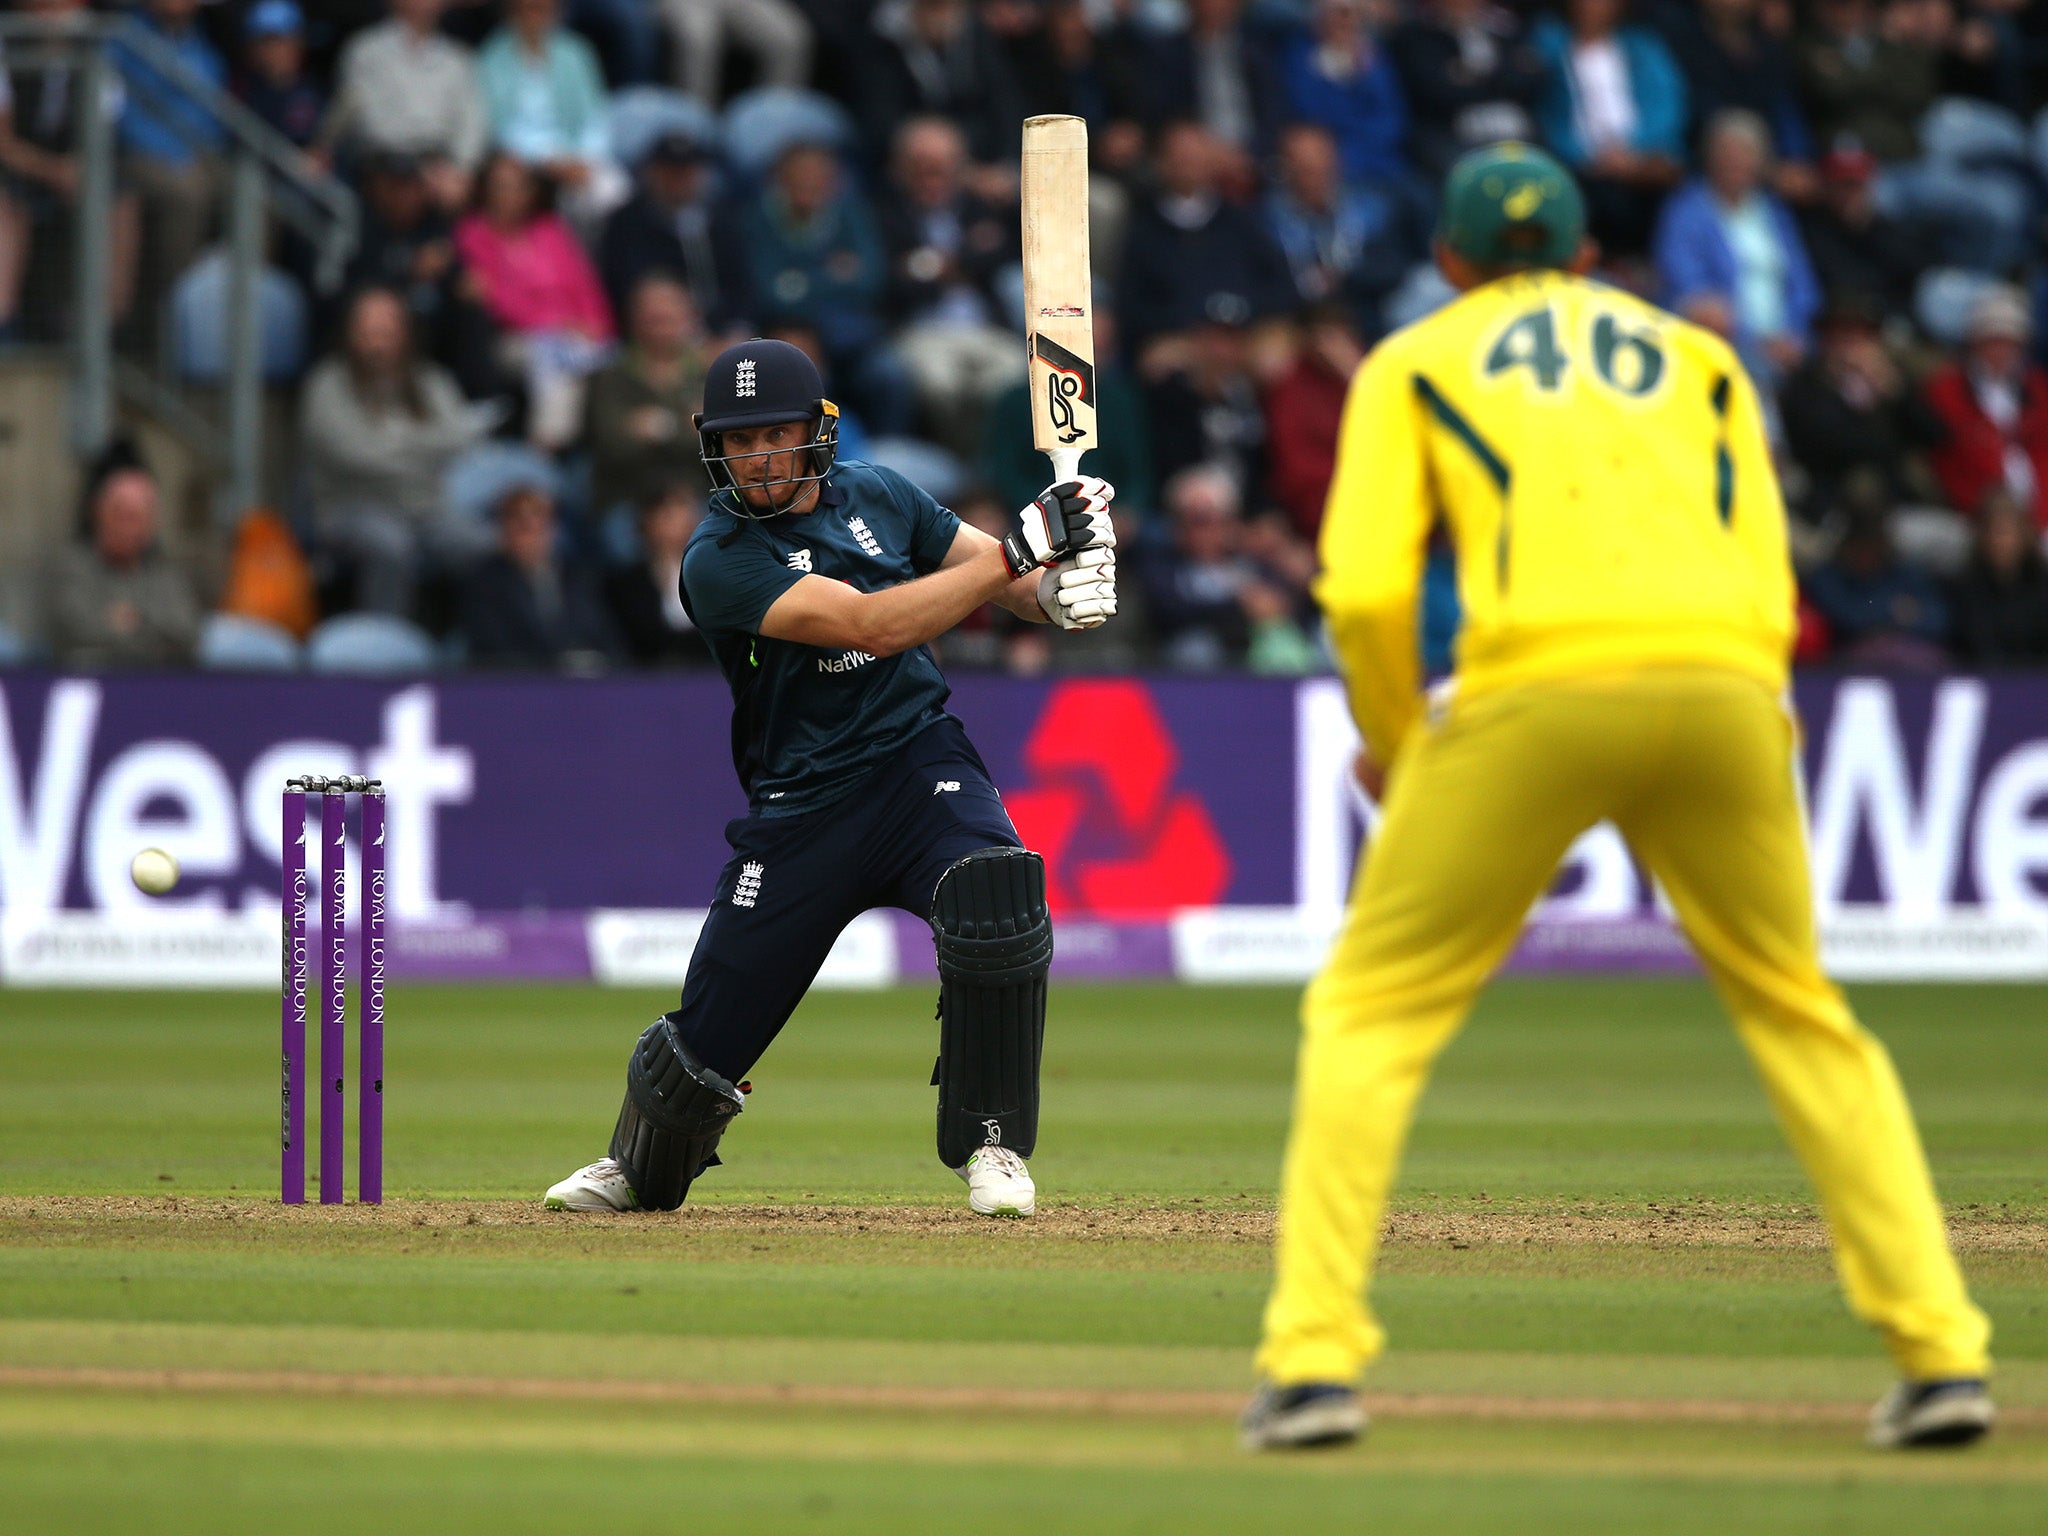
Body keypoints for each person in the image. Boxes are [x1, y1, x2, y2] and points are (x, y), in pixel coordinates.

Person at [1241, 144, 1993, 1453]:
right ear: (1591, 254)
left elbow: (1362, 593)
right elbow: (1768, 567)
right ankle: (1941, 1356)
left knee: (1370, 1013)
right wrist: (1747, 708)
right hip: (1723, 689)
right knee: (1804, 1016)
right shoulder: (1698, 356)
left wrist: (1393, 739)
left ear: (1454, 263)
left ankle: (1312, 1366)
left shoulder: (1413, 359)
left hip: (1534, 685)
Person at [540, 338, 1118, 1222]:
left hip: (916, 759)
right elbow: (874, 625)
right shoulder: (717, 558)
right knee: (701, 1050)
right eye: (741, 441)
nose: (761, 456)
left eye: (777, 433)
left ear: (818, 431)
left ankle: (992, 1144)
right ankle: (636, 1161)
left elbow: (1000, 586)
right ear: (714, 448)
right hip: (802, 804)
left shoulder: (882, 495)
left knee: (995, 894)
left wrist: (1062, 585)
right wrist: (1019, 554)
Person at [299, 286, 497, 614]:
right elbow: (355, 456)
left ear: (404, 334)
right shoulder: (327, 386)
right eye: (369, 332)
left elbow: (459, 439)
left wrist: (393, 442)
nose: (378, 343)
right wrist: (423, 447)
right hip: (350, 508)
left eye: (387, 332)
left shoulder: (430, 381)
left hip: (427, 507)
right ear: (351, 335)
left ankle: (473, 648)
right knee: (391, 544)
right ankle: (384, 647)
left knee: (485, 545)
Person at [1651, 110, 1819, 393]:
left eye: (1745, 153)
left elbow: (1802, 284)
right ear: (1710, 157)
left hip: (1787, 346)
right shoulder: (1686, 211)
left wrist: (1795, 336)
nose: (1736, 162)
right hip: (1728, 344)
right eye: (1727, 153)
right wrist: (1754, 340)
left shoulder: (1775, 213)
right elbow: (1686, 285)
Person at [1529, 0, 1686, 256]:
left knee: (1670, 176)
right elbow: (1548, 114)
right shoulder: (1549, 48)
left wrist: (1634, 153)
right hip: (1578, 164)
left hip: (1639, 158)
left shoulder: (1643, 47)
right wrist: (1588, 156)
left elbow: (1666, 105)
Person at [323, 0, 489, 213]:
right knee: (398, 184)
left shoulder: (457, 58)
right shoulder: (365, 50)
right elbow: (367, 122)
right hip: (382, 164)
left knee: (459, 191)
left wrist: (460, 168)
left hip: (440, 167)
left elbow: (472, 121)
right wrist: (420, 168)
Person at [45, 459, 202, 669]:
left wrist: (129, 621)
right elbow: (75, 630)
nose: (127, 527)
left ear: (151, 523)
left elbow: (186, 634)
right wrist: (148, 632)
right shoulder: (71, 568)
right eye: (120, 514)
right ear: (97, 512)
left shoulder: (167, 574)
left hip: (157, 685)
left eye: (136, 517)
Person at [582, 271, 711, 519]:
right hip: (629, 497)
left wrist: (654, 429)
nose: (661, 331)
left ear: (689, 320)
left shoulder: (709, 375)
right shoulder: (610, 377)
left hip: (697, 495)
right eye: (653, 320)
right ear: (634, 320)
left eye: (669, 320)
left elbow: (719, 449)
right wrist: (686, 427)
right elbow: (611, 446)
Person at [595, 128, 749, 327]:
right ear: (652, 172)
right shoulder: (625, 223)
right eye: (670, 171)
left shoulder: (722, 220)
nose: (678, 180)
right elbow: (618, 287)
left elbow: (740, 286)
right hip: (649, 332)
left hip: (715, 333)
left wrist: (732, 327)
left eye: (686, 171)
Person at [1923, 286, 2048, 531]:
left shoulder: (2038, 391)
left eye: (2009, 344)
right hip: (1978, 517)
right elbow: (1950, 462)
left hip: (2039, 514)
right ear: (1974, 344)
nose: (2001, 353)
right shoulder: (1946, 391)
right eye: (1992, 343)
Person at [460, 479, 620, 668]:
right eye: (521, 525)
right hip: (521, 685)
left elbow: (606, 637)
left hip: (585, 684)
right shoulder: (484, 581)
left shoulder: (579, 577)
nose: (531, 532)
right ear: (503, 529)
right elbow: (492, 648)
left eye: (539, 522)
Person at [603, 480, 709, 666]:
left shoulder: (715, 578)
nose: (677, 522)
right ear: (647, 521)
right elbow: (633, 638)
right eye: (667, 514)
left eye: (683, 510)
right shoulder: (625, 583)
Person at [1949, 487, 2048, 665]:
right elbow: (1974, 647)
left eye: (2007, 533)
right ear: (1982, 536)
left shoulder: (2042, 583)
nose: (2000, 542)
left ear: (2025, 534)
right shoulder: (1966, 586)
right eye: (1994, 532)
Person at [234, 0, 325, 150]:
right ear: (251, 49)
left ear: (299, 43)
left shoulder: (317, 93)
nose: (276, 52)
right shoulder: (241, 94)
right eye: (267, 43)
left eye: (283, 41)